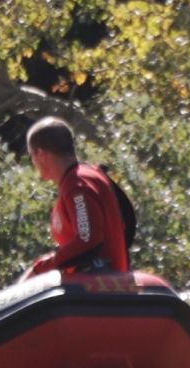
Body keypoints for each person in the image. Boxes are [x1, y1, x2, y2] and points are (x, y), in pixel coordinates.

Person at [23, 116, 131, 278]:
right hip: (102, 284)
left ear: (41, 153)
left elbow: (88, 240)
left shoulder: (77, 184)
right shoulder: (87, 176)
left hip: (99, 290)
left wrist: (42, 268)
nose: (32, 162)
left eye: (31, 155)